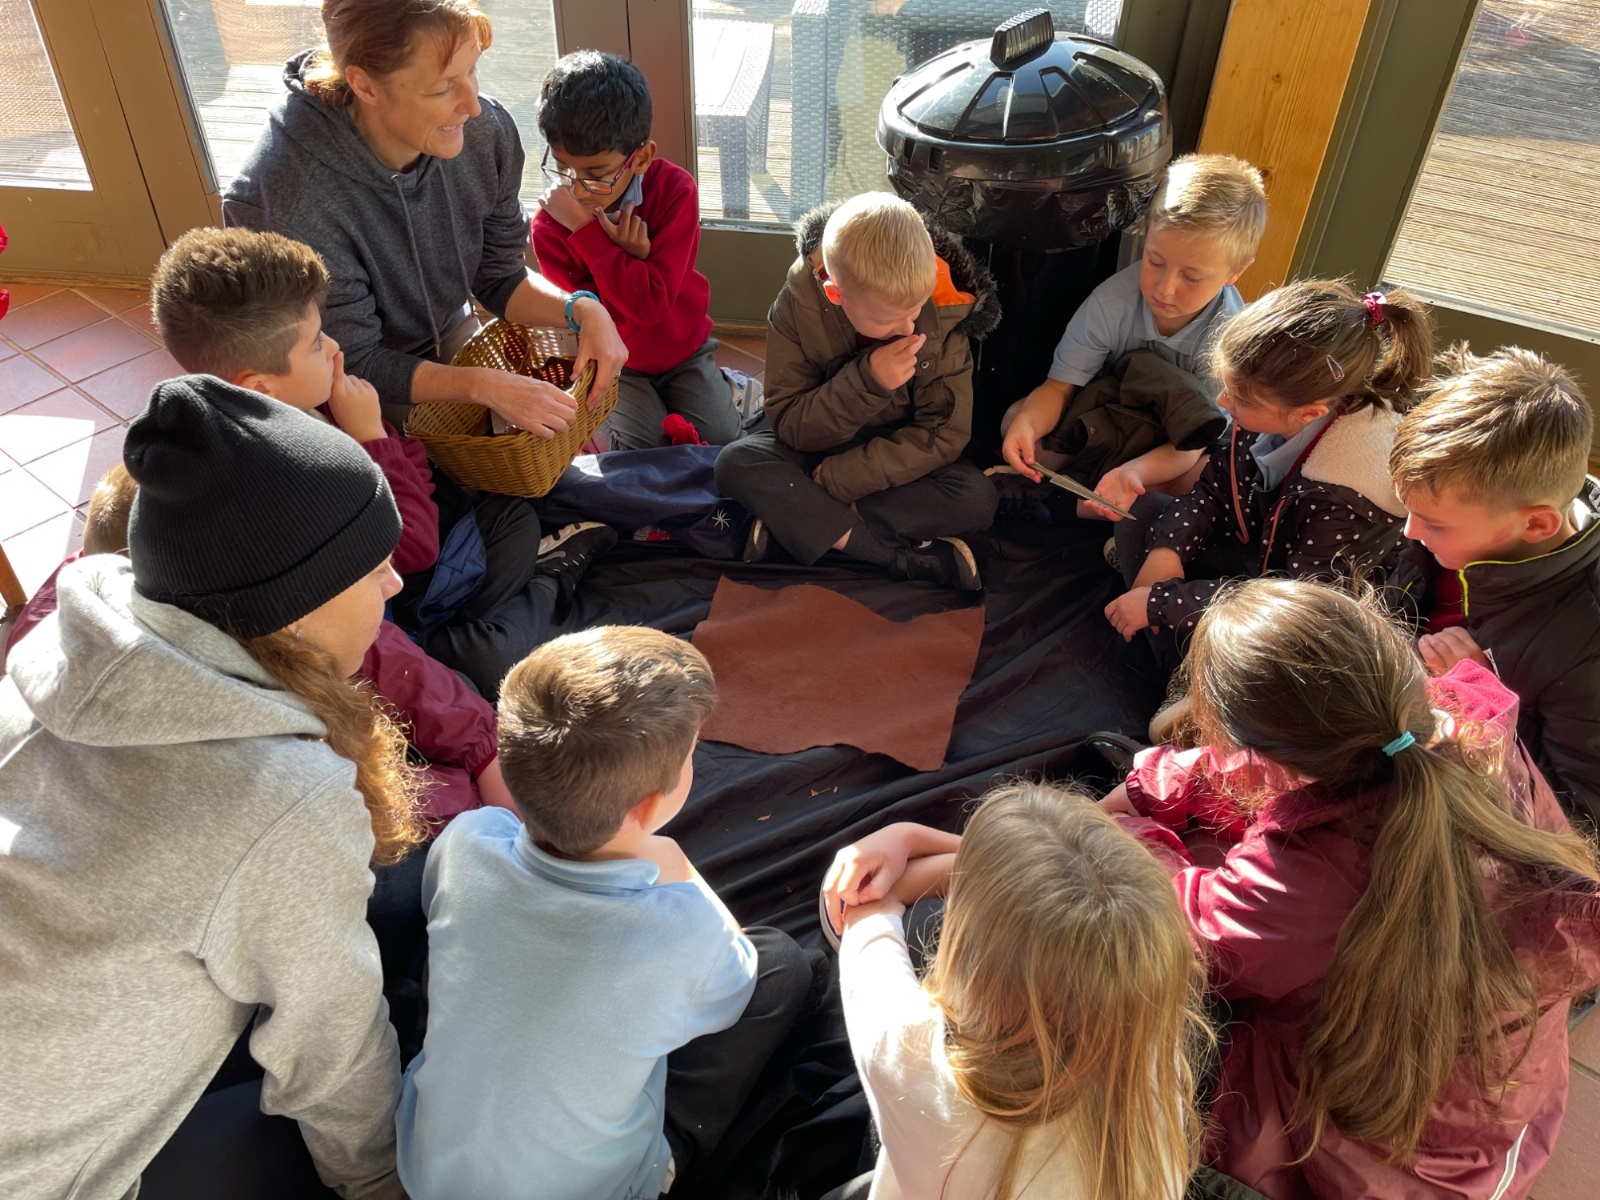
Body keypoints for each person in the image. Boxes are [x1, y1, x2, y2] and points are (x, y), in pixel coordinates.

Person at [0, 375, 424, 1198]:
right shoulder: (280, 798)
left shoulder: (50, 659)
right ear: (294, 608)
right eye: (375, 567)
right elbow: (331, 1051)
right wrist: (382, 1182)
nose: (395, 584)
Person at [1098, 579, 1600, 1198]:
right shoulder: (1471, 729)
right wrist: (1176, 777)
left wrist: (1129, 824)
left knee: (1148, 1021)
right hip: (1497, 1122)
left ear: (1263, 760)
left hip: (1372, 1167)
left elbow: (1166, 917)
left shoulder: (1296, 885)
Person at [397, 626, 814, 1200]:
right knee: (782, 965)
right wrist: (677, 865)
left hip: (427, 1174)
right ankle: (670, 1164)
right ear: (648, 806)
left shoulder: (469, 839)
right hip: (596, 1189)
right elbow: (736, 982)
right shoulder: (685, 931)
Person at [150, 225, 616, 700]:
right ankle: (546, 580)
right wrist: (370, 436)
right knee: (485, 660)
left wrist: (384, 445)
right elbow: (414, 548)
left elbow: (415, 466)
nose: (336, 348)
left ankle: (495, 603)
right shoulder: (287, 472)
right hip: (390, 606)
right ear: (260, 387)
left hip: (420, 568)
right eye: (316, 343)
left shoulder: (318, 400)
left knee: (515, 519)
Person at [222, 0, 628, 437]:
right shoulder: (286, 200)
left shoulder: (485, 133)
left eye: (472, 71)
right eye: (441, 88)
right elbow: (354, 358)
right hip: (342, 384)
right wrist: (482, 386)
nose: (473, 106)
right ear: (365, 85)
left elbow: (498, 276)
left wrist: (582, 308)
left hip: (449, 333)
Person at [826, 783, 1207, 1200]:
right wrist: (917, 839)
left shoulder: (912, 1057)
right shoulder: (1150, 1055)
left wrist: (905, 836)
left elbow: (862, 904)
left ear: (967, 955)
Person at [1105, 281, 1433, 678]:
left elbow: (1296, 608)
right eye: (1227, 387)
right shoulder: (1266, 413)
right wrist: (1167, 549)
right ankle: (1172, 645)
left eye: (1241, 399)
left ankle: (1184, 681)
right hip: (1257, 559)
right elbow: (1212, 492)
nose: (1223, 402)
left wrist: (1164, 604)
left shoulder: (1354, 490)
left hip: (1306, 618)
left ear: (1308, 414)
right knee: (1143, 516)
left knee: (1254, 659)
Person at [715, 192, 1001, 591]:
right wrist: (868, 383)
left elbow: (944, 434)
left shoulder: (943, 310)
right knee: (736, 462)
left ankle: (800, 522)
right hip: (818, 447)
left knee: (976, 498)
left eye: (915, 309)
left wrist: (840, 479)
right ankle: (887, 554)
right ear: (836, 294)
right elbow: (791, 424)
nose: (909, 328)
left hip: (893, 461)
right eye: (889, 319)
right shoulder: (796, 306)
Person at [1389, 345, 1600, 831]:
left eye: (1433, 523)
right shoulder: (1457, 530)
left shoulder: (1584, 642)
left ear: (1537, 524)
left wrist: (1484, 701)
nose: (1410, 531)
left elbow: (1577, 820)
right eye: (1410, 511)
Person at [999, 154, 1268, 515]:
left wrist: (1134, 473)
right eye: (1155, 261)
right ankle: (1089, 505)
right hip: (1105, 422)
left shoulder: (1230, 338)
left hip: (1172, 448)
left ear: (1235, 272)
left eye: (1191, 277)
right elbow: (1059, 389)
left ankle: (1072, 504)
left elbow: (1193, 442)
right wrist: (1027, 426)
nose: (1165, 289)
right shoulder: (1111, 303)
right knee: (1016, 420)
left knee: (1207, 476)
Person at [532, 51, 745, 450]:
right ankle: (600, 424)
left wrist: (589, 235)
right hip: (616, 361)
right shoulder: (550, 223)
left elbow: (650, 305)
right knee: (642, 452)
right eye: (562, 167)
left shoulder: (675, 191)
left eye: (596, 175)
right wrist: (632, 259)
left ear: (641, 158)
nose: (576, 189)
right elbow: (595, 319)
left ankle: (725, 388)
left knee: (724, 443)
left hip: (683, 350)